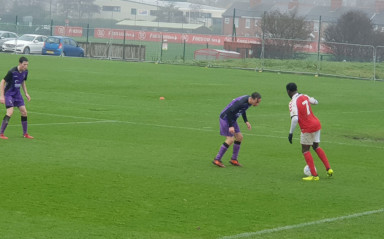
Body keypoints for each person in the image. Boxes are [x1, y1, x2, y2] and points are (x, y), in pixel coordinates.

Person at [286, 82, 333, 181]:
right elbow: (316, 102)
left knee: (305, 150)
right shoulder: (304, 95)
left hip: (308, 127)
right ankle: (329, 169)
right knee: (316, 146)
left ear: (288, 91)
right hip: (316, 123)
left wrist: (290, 133)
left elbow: (294, 119)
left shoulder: (292, 102)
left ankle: (314, 175)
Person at [213, 92, 262, 168]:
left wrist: (246, 121)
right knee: (230, 139)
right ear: (252, 99)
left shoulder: (248, 101)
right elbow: (229, 112)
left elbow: (243, 110)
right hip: (225, 118)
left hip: (232, 119)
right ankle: (217, 159)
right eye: (257, 102)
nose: (257, 104)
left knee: (239, 137)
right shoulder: (241, 102)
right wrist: (231, 126)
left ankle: (234, 159)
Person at [0, 56, 33, 139]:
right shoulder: (12, 71)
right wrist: (1, 95)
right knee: (10, 112)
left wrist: (26, 93)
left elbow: (23, 82)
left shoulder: (25, 72)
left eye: (27, 65)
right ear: (20, 63)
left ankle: (25, 134)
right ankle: (1, 133)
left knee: (24, 112)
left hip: (17, 94)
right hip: (9, 94)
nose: (26, 66)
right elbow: (2, 81)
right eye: (24, 64)